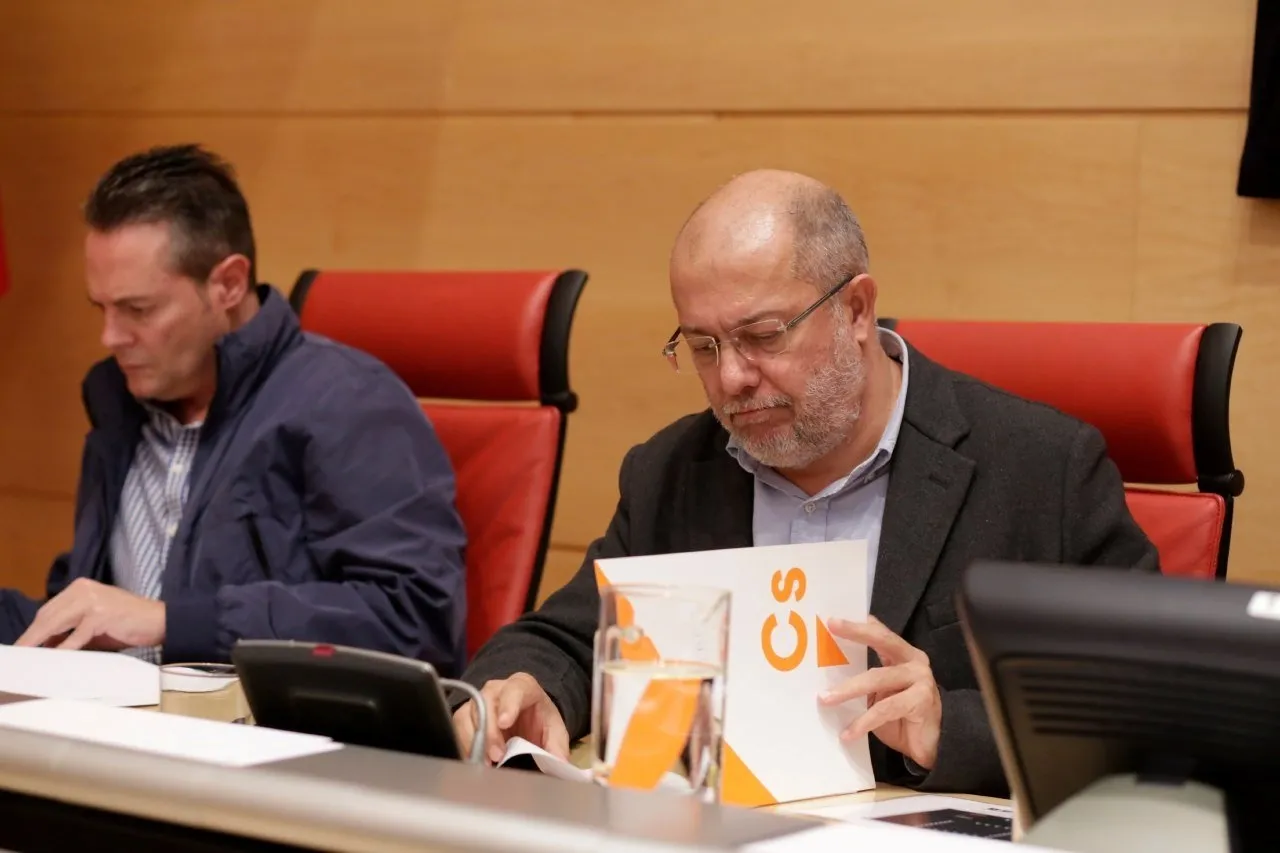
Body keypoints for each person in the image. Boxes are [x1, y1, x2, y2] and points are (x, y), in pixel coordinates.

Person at [453, 169, 1159, 796]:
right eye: (702, 346)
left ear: (856, 310)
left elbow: (1143, 704)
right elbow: (571, 637)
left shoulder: (1041, 467)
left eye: (762, 336)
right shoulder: (672, 469)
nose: (730, 378)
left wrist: (952, 724)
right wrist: (526, 688)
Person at [0, 144, 468, 675]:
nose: (110, 337)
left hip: (278, 739)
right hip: (121, 726)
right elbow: (87, 614)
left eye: (137, 309)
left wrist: (174, 622)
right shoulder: (120, 406)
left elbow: (414, 618)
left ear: (227, 284)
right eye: (101, 309)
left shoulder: (346, 402)